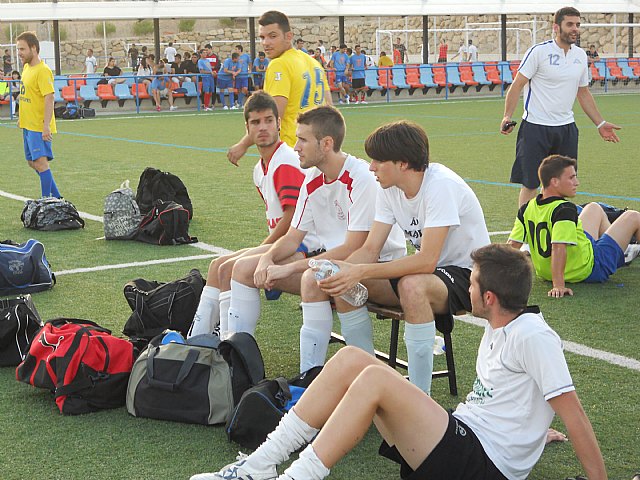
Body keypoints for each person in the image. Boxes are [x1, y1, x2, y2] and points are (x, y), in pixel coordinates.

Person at [192, 243, 608, 480]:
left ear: (489, 299)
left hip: (481, 466)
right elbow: (516, 396)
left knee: (375, 381)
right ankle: (260, 466)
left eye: (473, 282)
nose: (468, 287)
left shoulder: (533, 335)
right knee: (354, 359)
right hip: (465, 442)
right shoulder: (501, 326)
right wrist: (534, 430)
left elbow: (576, 415)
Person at [308, 121, 489, 392]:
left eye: (378, 160)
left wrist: (360, 272)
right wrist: (342, 268)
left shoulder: (440, 185)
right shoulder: (389, 190)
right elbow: (370, 250)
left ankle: (418, 398)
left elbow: (427, 260)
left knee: (412, 285)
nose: (371, 167)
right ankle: (364, 377)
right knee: (342, 280)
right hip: (429, 273)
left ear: (402, 163)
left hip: (470, 275)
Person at [223, 106, 405, 344]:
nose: (296, 146)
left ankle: (322, 368)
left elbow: (353, 249)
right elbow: (293, 237)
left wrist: (289, 268)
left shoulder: (361, 178)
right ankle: (235, 352)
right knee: (244, 268)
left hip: (375, 266)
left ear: (326, 143)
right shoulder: (312, 177)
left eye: (302, 140)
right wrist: (268, 258)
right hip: (332, 261)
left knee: (312, 277)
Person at [188, 91, 311, 339]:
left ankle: (231, 346)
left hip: (305, 244)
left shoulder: (285, 161)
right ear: (247, 128)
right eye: (256, 122)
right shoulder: (260, 168)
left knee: (232, 268)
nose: (263, 127)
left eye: (268, 120)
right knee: (217, 265)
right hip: (284, 243)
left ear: (278, 123)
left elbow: (292, 218)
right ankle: (198, 338)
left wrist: (266, 249)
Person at [501, 6, 621, 208]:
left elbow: (583, 92)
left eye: (578, 25)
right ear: (556, 27)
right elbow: (517, 85)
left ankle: (554, 230)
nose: (575, 29)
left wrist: (600, 123)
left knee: (562, 185)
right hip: (535, 127)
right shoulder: (539, 52)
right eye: (570, 24)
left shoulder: (581, 56)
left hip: (566, 129)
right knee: (530, 184)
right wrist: (507, 116)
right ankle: (524, 235)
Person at [508, 154, 640, 297]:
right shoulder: (564, 209)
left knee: (594, 208)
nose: (576, 182)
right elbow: (558, 247)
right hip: (587, 269)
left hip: (547, 272)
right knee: (634, 216)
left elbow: (512, 245)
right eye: (571, 178)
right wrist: (558, 285)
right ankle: (617, 253)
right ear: (555, 182)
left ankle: (622, 251)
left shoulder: (527, 207)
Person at [227, 10, 330, 163]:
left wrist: (243, 145)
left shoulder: (279, 64)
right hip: (318, 153)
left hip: (292, 152)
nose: (266, 43)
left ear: (288, 36)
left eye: (272, 36)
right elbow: (330, 109)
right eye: (262, 37)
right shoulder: (314, 64)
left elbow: (271, 117)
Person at [16, 31, 62, 199]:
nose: (19, 53)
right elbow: (26, 94)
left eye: (22, 49)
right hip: (27, 125)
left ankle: (46, 201)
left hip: (38, 126)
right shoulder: (27, 67)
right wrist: (22, 117)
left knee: (41, 164)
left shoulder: (43, 71)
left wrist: (45, 126)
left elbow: (49, 98)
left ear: (33, 48)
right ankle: (57, 198)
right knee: (32, 162)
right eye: (18, 49)